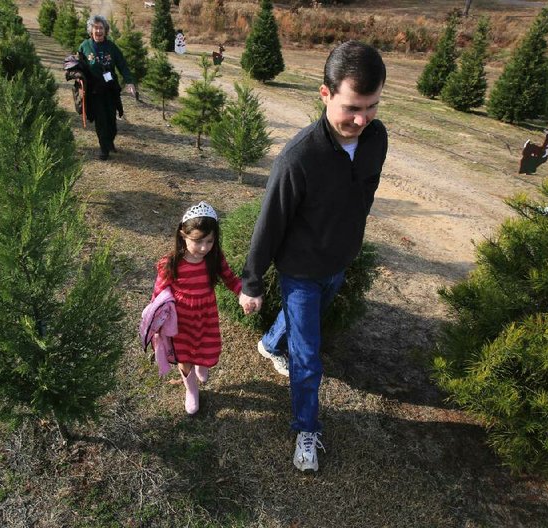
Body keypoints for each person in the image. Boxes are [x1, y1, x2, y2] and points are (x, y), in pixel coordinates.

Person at [238, 41, 388, 472]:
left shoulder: (376, 139)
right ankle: (306, 428)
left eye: (372, 106)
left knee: (308, 323)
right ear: (325, 94)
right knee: (308, 356)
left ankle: (270, 344)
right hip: (300, 269)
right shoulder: (298, 158)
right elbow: (270, 222)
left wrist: (349, 237)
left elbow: (366, 190)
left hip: (338, 263)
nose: (361, 120)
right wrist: (251, 282)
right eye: (352, 108)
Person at [152, 201, 243, 415]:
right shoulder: (171, 263)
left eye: (210, 241)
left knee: (206, 347)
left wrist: (242, 292)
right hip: (180, 320)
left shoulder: (214, 259)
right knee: (184, 355)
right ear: (183, 235)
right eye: (198, 241)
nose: (204, 247)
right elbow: (158, 293)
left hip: (206, 315)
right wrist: (155, 318)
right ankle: (191, 389)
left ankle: (202, 363)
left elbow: (231, 279)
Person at [78, 15, 137, 160]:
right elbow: (77, 65)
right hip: (95, 90)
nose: (98, 31)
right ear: (91, 30)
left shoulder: (112, 47)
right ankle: (104, 148)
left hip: (110, 89)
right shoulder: (84, 46)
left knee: (111, 119)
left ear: (105, 30)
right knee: (101, 119)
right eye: (95, 28)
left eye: (101, 28)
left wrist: (129, 82)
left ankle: (109, 140)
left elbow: (122, 65)